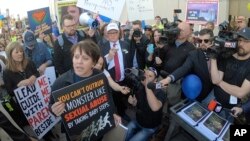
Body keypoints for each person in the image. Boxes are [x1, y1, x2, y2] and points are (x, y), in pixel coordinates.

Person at [49, 39, 122, 141]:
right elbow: (51, 106)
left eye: (85, 58)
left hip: (98, 126)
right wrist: (54, 110)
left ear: (94, 63)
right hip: (76, 134)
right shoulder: (60, 83)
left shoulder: (101, 76)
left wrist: (112, 112)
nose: (79, 62)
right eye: (76, 57)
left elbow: (108, 97)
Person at [3, 42, 55, 140]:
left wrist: (34, 76)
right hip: (26, 104)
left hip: (38, 96)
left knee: (44, 115)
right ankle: (44, 136)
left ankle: (50, 132)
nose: (20, 54)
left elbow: (37, 73)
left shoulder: (29, 62)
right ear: (10, 54)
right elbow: (9, 91)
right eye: (17, 52)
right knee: (36, 121)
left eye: (21, 51)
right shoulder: (7, 71)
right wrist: (19, 85)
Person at [160, 29, 215, 102]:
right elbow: (184, 68)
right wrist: (168, 79)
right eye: (200, 40)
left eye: (206, 41)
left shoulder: (220, 55)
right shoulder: (194, 54)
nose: (202, 43)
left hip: (215, 93)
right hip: (200, 93)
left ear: (212, 41)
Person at [210, 27, 250, 122]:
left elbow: (241, 93)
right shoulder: (227, 56)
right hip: (214, 101)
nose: (241, 44)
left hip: (231, 110)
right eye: (239, 40)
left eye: (246, 41)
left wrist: (219, 83)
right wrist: (213, 57)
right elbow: (215, 79)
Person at [125, 67, 166, 141]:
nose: (146, 77)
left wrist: (147, 86)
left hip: (149, 127)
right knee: (122, 134)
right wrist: (133, 102)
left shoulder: (160, 92)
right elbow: (138, 105)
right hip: (138, 120)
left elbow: (155, 107)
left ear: (155, 80)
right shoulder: (140, 87)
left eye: (150, 76)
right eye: (145, 75)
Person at [100, 22, 131, 119]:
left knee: (122, 98)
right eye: (110, 33)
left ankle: (122, 113)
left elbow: (128, 60)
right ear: (107, 34)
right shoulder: (102, 47)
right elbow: (100, 66)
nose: (113, 35)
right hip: (110, 80)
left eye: (115, 32)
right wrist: (109, 57)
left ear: (119, 33)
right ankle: (113, 115)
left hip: (123, 77)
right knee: (112, 99)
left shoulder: (125, 44)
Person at [162, 22, 195, 105]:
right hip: (162, 77)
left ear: (188, 33)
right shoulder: (169, 43)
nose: (179, 32)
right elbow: (160, 58)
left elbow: (186, 67)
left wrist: (171, 78)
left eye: (182, 30)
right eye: (178, 30)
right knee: (160, 97)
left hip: (176, 81)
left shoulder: (191, 48)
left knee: (172, 102)